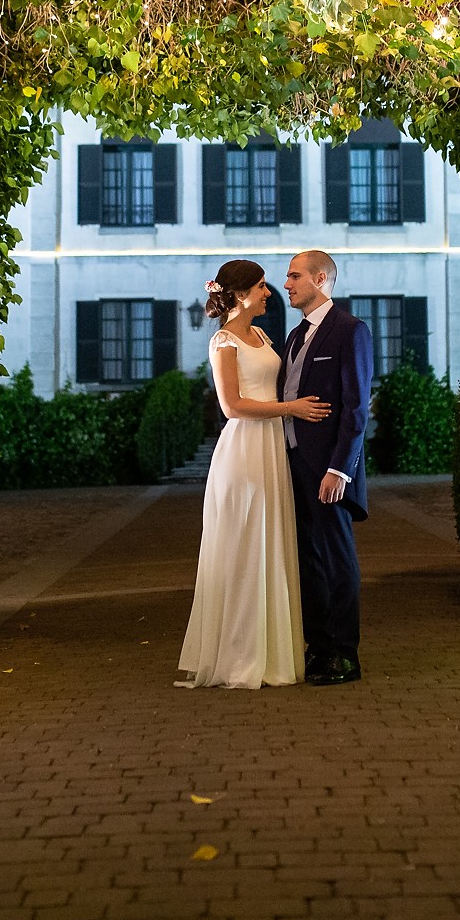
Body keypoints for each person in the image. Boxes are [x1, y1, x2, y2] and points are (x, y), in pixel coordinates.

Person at [175, 259, 332, 689]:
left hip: (272, 450)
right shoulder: (223, 341)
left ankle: (273, 651)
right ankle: (242, 655)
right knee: (246, 547)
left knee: (272, 545)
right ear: (242, 293)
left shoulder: (261, 335)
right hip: (244, 450)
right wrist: (292, 409)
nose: (270, 292)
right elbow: (232, 406)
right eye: (262, 287)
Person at [278, 250, 373, 686]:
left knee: (337, 556)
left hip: (329, 468)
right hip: (293, 462)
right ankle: (318, 647)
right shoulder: (295, 336)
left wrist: (341, 469)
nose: (287, 283)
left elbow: (356, 407)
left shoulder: (350, 330)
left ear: (320, 278)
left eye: (294, 275)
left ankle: (344, 653)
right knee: (308, 558)